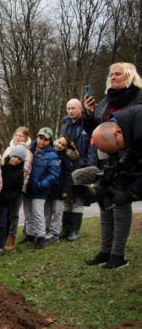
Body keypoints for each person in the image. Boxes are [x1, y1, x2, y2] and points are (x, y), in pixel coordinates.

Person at [82, 62, 142, 269]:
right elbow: (93, 129)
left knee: (120, 203)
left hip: (127, 159)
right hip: (101, 157)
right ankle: (105, 250)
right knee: (104, 203)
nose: (113, 77)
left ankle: (118, 254)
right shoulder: (105, 101)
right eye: (112, 74)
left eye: (119, 74)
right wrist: (88, 114)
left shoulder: (138, 98)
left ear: (129, 76)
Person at [21, 127, 61, 250]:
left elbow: (54, 175)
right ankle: (30, 234)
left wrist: (41, 185)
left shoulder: (52, 155)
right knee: (28, 213)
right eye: (40, 138)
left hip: (40, 190)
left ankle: (41, 237)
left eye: (45, 140)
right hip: (27, 187)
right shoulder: (28, 149)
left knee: (38, 213)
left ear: (50, 141)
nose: (42, 142)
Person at [59, 99, 92, 241]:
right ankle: (65, 229)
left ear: (80, 108)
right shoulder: (65, 124)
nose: (70, 111)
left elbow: (90, 148)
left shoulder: (87, 123)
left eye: (73, 108)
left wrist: (88, 168)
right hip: (66, 166)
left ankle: (75, 230)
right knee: (66, 198)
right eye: (68, 108)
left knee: (78, 198)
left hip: (81, 165)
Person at [0, 126, 33, 249]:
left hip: (18, 187)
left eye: (21, 136)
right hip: (5, 187)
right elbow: (3, 164)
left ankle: (11, 236)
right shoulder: (9, 149)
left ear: (26, 138)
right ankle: (3, 235)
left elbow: (26, 171)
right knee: (5, 213)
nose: (18, 138)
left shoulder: (28, 152)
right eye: (16, 135)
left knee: (14, 213)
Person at [0, 144, 26, 253]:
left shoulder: (20, 172)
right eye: (15, 157)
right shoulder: (2, 165)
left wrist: (10, 197)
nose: (16, 160)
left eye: (19, 159)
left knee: (3, 222)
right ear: (11, 155)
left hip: (6, 200)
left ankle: (0, 244)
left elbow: (18, 189)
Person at [44, 135, 79, 242]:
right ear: (56, 140)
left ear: (65, 147)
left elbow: (68, 174)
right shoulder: (49, 153)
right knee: (47, 211)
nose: (59, 145)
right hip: (49, 187)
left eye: (63, 145)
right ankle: (46, 230)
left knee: (57, 211)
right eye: (59, 142)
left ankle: (55, 233)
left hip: (59, 188)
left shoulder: (64, 158)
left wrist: (65, 189)